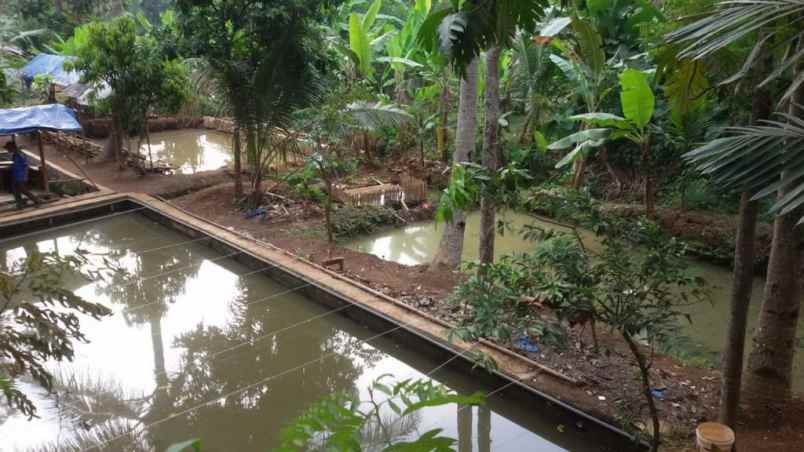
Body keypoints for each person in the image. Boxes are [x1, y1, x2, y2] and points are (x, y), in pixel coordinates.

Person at [4, 141, 41, 209]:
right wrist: (11, 167)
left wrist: (25, 175)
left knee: (22, 189)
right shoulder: (15, 154)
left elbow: (25, 165)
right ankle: (20, 204)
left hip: (20, 175)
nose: (7, 150)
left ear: (12, 147)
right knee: (15, 190)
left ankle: (36, 200)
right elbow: (16, 164)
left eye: (8, 148)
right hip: (16, 175)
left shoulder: (19, 154)